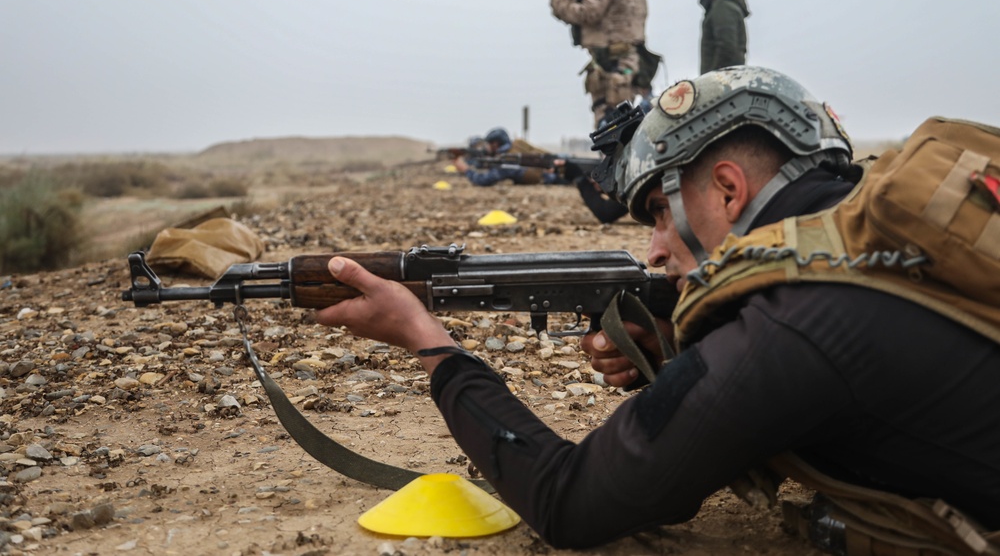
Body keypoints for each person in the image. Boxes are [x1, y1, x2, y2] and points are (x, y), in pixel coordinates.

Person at [314, 67, 1000, 551]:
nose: (655, 249)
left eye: (661, 213)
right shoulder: (876, 244)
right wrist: (673, 347)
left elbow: (569, 501)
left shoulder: (789, 325)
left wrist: (430, 343)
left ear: (728, 188)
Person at [550, 0, 652, 129]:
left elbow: (590, 12)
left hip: (612, 66)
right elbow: (614, 5)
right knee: (624, 129)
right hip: (631, 62)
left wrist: (558, 1)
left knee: (610, 134)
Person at [453, 127, 562, 186]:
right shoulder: (515, 148)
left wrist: (466, 170)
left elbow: (484, 180)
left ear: (495, 144)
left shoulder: (508, 160)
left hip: (558, 178)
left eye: (488, 145)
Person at [693, 0, 750, 74]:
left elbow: (727, 46)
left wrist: (713, 77)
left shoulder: (722, 7)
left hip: (724, 80)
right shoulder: (718, 7)